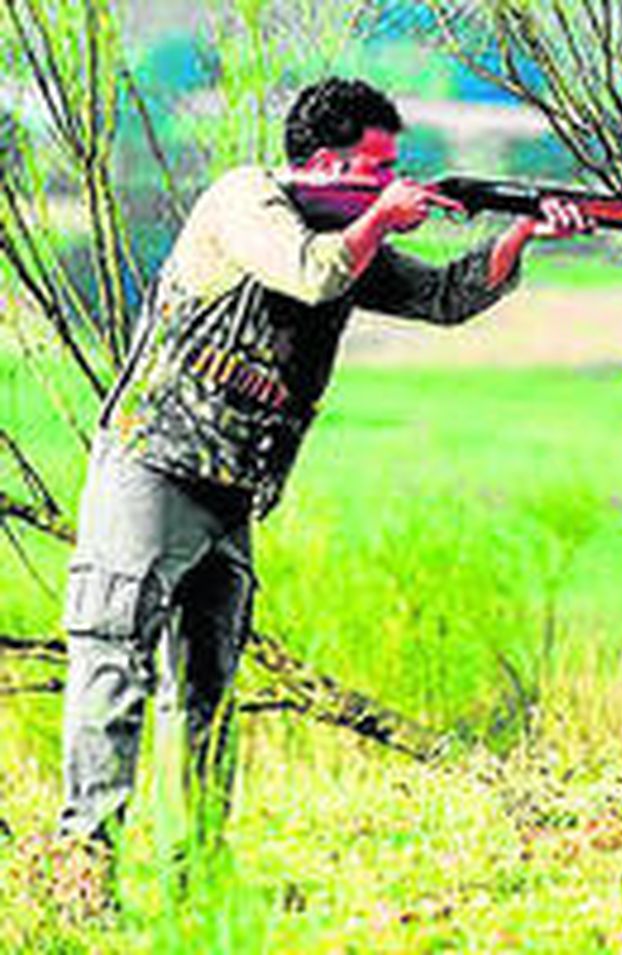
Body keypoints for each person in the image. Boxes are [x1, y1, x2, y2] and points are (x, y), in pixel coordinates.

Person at [56, 77, 591, 853]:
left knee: (208, 689)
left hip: (233, 490)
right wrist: (380, 216)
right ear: (327, 165)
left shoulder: (352, 228)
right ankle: (82, 863)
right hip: (153, 465)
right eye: (375, 168)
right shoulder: (245, 202)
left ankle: (194, 875)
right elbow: (311, 272)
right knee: (115, 662)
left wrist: (521, 236)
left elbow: (442, 296)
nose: (390, 183)